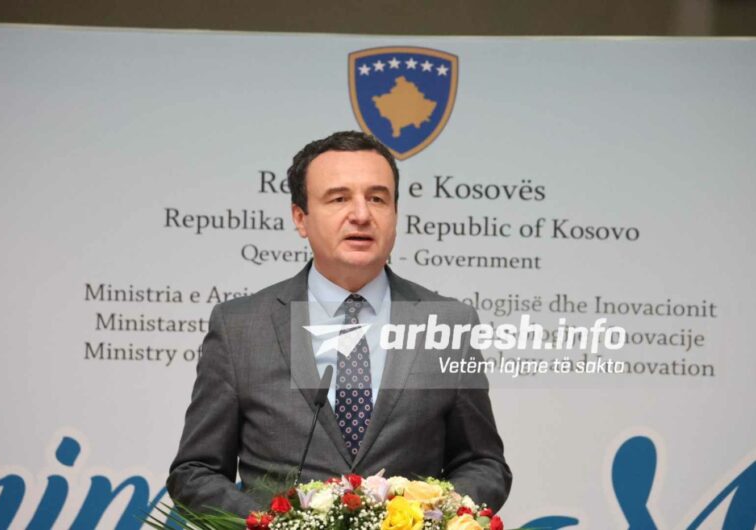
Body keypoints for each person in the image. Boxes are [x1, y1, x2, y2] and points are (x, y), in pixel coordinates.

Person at [167, 131, 512, 516]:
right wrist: (264, 524)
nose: (361, 215)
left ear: (395, 214)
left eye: (377, 198)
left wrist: (433, 518)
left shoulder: (448, 325)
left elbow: (484, 464)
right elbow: (194, 472)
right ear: (300, 218)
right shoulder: (240, 328)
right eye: (339, 198)